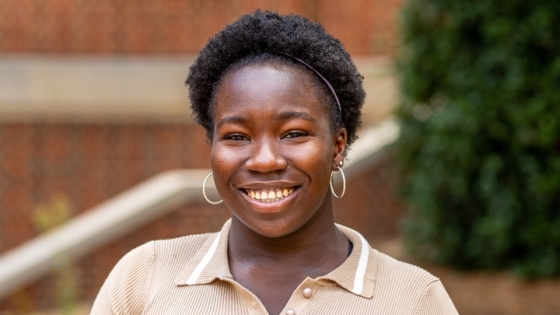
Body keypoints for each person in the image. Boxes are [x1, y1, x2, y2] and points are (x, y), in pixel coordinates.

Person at [91, 10, 458, 315]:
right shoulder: (145, 276)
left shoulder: (415, 299)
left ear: (338, 146)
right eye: (237, 136)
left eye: (294, 133)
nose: (265, 160)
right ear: (213, 147)